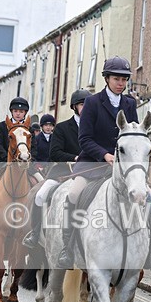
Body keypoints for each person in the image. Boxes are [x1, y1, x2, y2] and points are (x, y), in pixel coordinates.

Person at [58, 57, 151, 271]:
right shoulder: (92, 103)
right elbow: (85, 139)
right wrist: (105, 155)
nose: (121, 83)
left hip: (124, 166)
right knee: (73, 194)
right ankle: (67, 247)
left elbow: (134, 133)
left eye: (124, 79)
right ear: (107, 79)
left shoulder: (129, 103)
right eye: (117, 78)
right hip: (94, 163)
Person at [23, 90, 89, 249]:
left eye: (89, 105)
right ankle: (35, 231)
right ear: (74, 107)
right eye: (82, 104)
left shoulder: (95, 128)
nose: (86, 108)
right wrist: (74, 158)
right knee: (40, 195)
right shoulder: (62, 128)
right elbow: (55, 153)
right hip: (63, 170)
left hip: (89, 171)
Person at [0, 97, 37, 192]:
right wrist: (8, 158)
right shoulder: (2, 126)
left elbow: (34, 147)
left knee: (40, 181)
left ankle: (37, 207)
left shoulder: (29, 130)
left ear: (25, 113)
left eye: (21, 111)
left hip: (25, 162)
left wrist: (29, 159)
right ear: (11, 112)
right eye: (15, 111)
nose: (18, 113)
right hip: (1, 161)